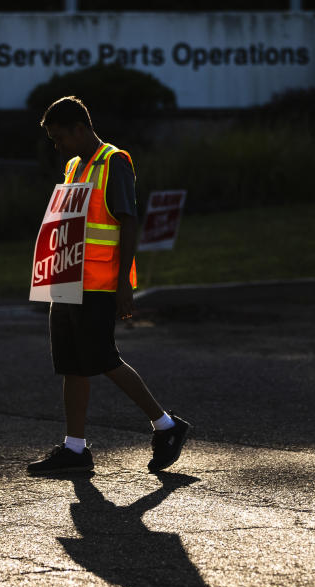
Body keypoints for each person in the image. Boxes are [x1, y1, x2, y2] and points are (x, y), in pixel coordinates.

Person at [27, 96, 191, 474]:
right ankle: (75, 449)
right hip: (68, 280)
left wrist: (123, 285)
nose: (57, 146)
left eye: (60, 138)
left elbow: (127, 221)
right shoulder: (73, 166)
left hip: (99, 284)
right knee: (71, 363)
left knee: (102, 357)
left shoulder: (113, 162)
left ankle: (166, 425)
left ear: (80, 129)